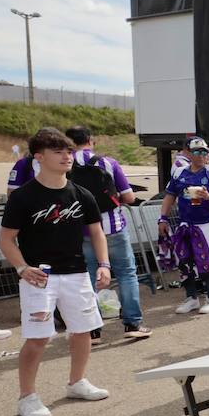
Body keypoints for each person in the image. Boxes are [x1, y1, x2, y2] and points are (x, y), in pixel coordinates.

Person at [0, 127, 112, 416]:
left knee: (83, 329)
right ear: (39, 157)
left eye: (69, 152)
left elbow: (97, 232)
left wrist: (103, 264)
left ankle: (77, 382)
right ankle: (27, 397)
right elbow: (6, 239)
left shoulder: (81, 194)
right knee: (38, 338)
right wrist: (23, 268)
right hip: (40, 277)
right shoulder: (23, 197)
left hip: (76, 273)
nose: (67, 157)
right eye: (58, 151)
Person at [65, 125, 150, 340]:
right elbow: (129, 197)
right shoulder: (108, 163)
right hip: (113, 227)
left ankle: (93, 331)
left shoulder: (65, 164)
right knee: (126, 274)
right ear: (91, 140)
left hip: (82, 231)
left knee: (89, 278)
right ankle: (132, 325)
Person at [161, 137, 209, 314]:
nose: (202, 155)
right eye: (198, 152)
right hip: (185, 225)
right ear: (189, 154)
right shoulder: (179, 173)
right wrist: (162, 218)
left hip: (207, 225)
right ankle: (191, 298)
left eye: (205, 152)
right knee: (185, 262)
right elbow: (169, 196)